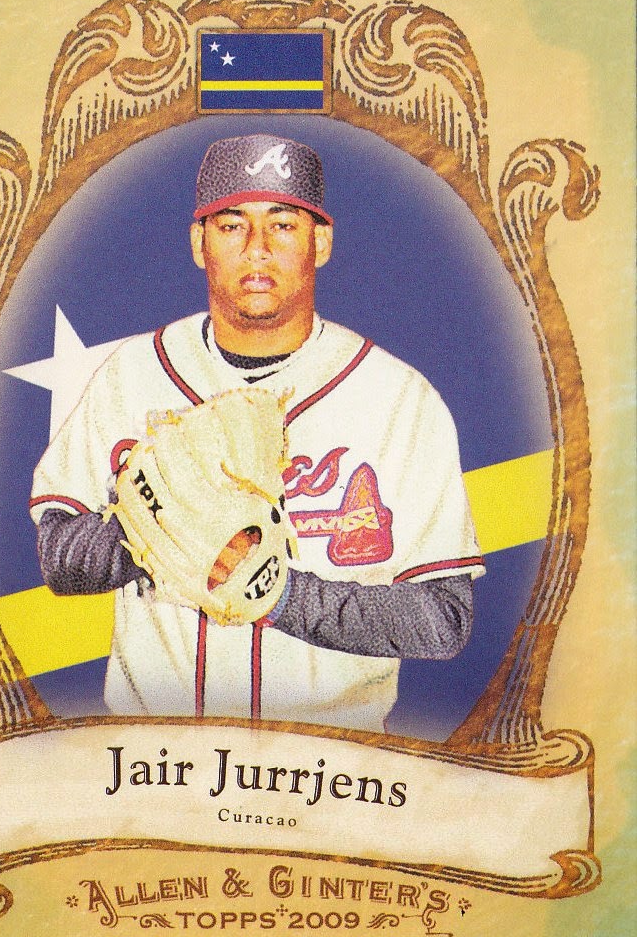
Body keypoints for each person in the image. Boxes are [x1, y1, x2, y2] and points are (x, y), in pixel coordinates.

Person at [30, 134, 484, 733]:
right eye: (232, 225)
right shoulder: (130, 375)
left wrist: (278, 593)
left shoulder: (399, 398)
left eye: (283, 225)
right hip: (154, 760)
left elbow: (441, 621)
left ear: (321, 242)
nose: (258, 250)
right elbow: (59, 559)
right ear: (200, 243)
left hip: (330, 766)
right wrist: (161, 532)